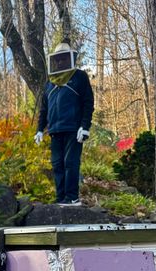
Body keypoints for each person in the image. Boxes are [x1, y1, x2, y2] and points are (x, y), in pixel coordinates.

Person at [35, 41, 94, 207]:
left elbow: (88, 102)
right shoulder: (50, 83)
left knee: (71, 163)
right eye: (58, 58)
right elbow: (44, 109)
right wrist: (40, 129)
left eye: (63, 57)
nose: (61, 61)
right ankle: (61, 198)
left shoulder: (79, 77)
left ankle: (72, 197)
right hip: (55, 130)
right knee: (57, 165)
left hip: (73, 129)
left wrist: (85, 126)